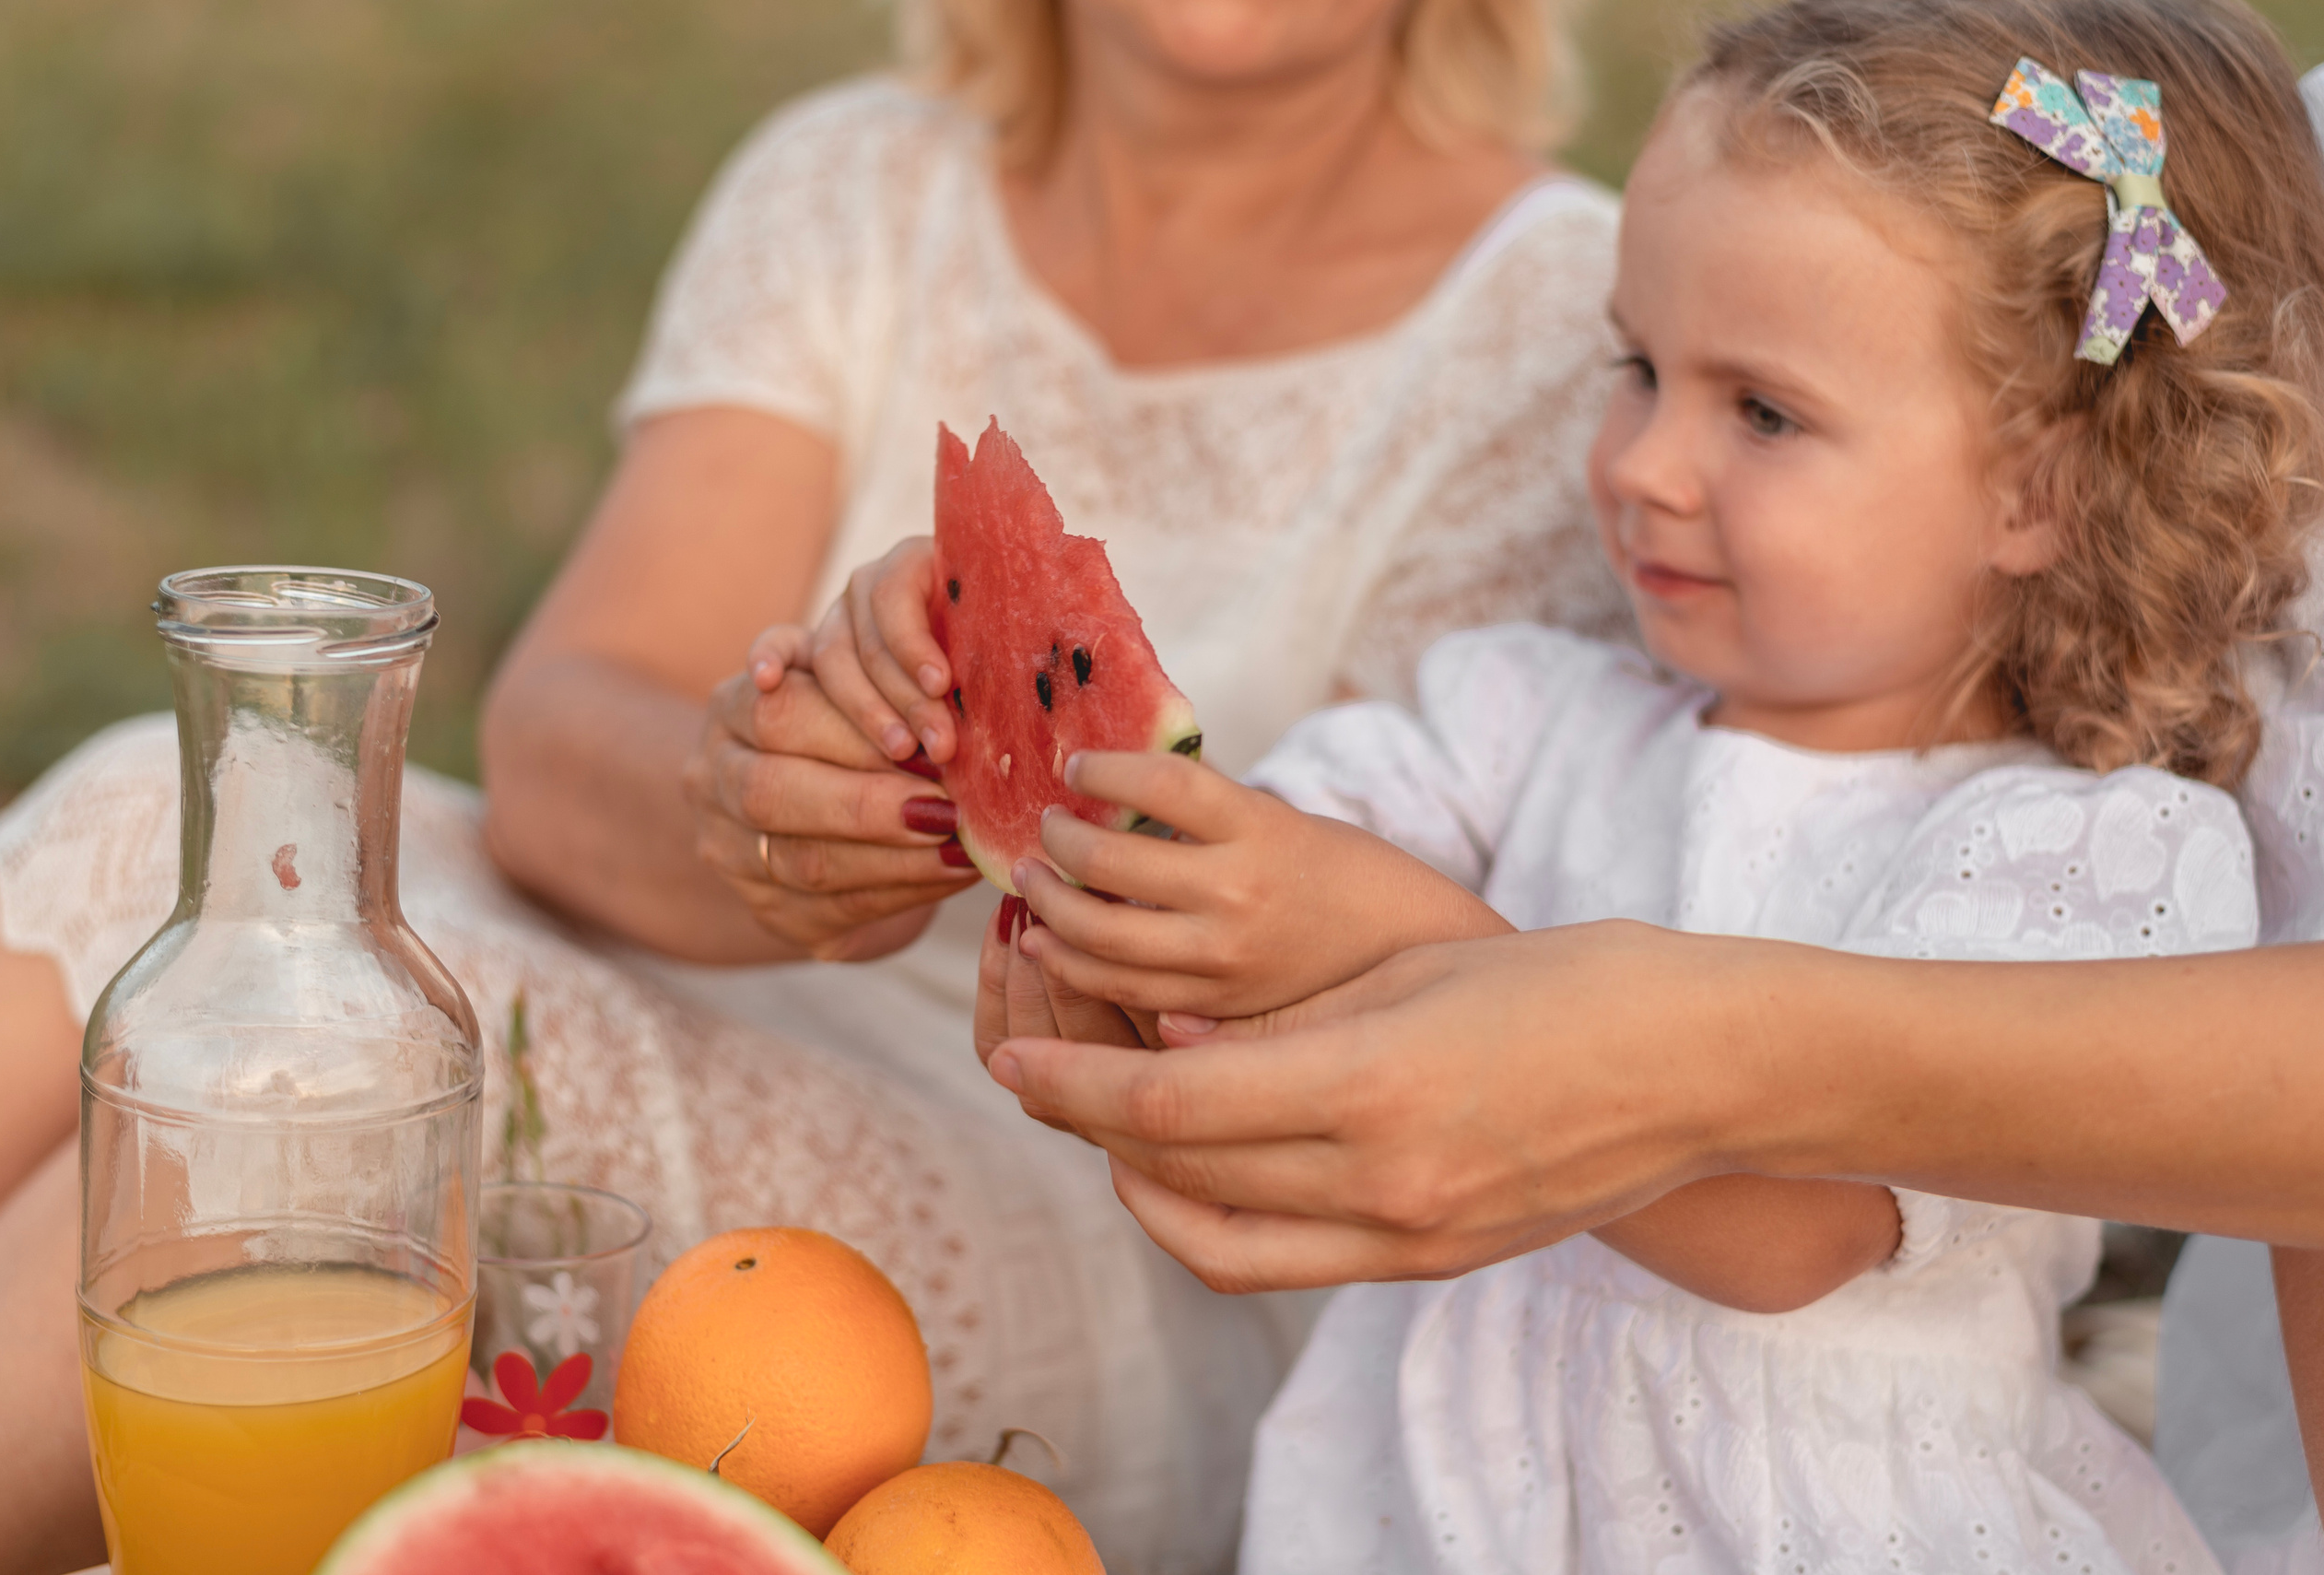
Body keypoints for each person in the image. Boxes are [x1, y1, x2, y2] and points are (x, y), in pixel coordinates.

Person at [0, 1, 1629, 1569]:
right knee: (171, 806)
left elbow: (1366, 999)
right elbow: (558, 735)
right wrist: (737, 803)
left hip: (1122, 1200)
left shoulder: (1583, 317)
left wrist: (1044, 854)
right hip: (695, 966)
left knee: (331, 1041)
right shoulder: (854, 186)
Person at [806, 0, 2324, 1561]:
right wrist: (974, 705)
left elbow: (1790, 1228)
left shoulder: (2093, 846)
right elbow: (1265, 864)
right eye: (1637, 366)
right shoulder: (1526, 709)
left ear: (2040, 486)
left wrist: (1404, 934)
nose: (1642, 465)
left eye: (1762, 411)